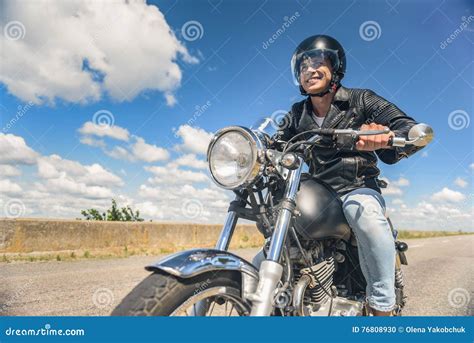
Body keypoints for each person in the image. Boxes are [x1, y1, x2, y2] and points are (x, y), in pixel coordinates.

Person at [279, 35, 425, 316]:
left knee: (364, 212)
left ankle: (382, 307)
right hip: (318, 194)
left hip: (357, 187)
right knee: (279, 223)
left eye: (318, 62)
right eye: (303, 66)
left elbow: (407, 126)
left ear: (335, 67)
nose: (309, 70)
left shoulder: (361, 99)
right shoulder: (296, 114)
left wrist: (387, 136)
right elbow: (276, 142)